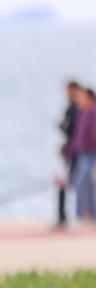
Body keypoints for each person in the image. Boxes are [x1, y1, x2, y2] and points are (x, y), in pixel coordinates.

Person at [56, 81, 82, 227]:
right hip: (70, 151)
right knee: (64, 183)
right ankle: (62, 217)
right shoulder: (70, 108)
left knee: (80, 184)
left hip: (78, 152)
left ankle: (82, 217)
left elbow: (79, 133)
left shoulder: (80, 109)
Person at [69, 87, 96, 220]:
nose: (80, 100)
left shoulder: (93, 112)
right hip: (82, 154)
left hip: (91, 153)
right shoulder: (83, 113)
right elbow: (77, 136)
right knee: (85, 184)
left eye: (83, 97)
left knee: (85, 184)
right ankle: (86, 215)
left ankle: (82, 215)